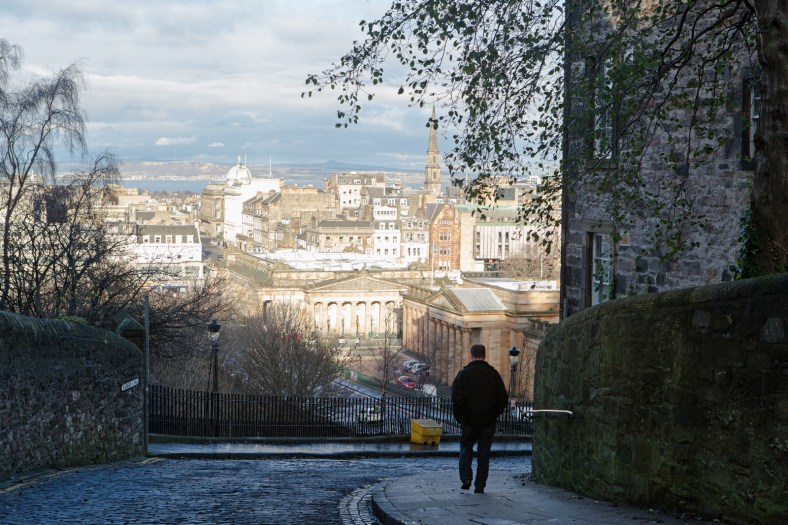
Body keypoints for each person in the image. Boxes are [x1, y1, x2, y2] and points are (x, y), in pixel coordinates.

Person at [451, 343, 509, 494]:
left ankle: (465, 478)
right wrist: (494, 413)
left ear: (471, 355)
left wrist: (461, 417)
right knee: (484, 453)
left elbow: (456, 398)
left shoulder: (463, 374)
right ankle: (480, 485)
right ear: (484, 356)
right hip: (488, 421)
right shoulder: (493, 374)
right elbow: (503, 398)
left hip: (469, 420)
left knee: (466, 448)